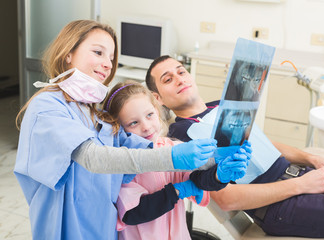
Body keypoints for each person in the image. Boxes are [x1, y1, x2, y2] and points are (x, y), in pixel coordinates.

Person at [13, 20, 225, 240]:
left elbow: (147, 147)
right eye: (98, 52)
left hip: (103, 230)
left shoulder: (95, 116)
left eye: (111, 58)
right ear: (68, 53)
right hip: (67, 230)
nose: (107, 64)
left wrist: (216, 159)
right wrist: (173, 157)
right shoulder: (47, 107)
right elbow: (94, 158)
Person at [145, 55, 324, 240]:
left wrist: (312, 159)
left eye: (181, 72)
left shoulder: (222, 105)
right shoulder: (180, 138)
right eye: (168, 79)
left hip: (304, 175)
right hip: (280, 206)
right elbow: (226, 198)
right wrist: (301, 185)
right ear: (158, 98)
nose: (179, 80)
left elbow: (263, 143)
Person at [101, 81, 251, 239]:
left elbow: (198, 180)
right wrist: (178, 190)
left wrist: (219, 175)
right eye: (133, 123)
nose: (146, 126)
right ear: (118, 128)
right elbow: (132, 213)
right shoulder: (122, 162)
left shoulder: (171, 148)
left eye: (149, 115)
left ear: (157, 112)